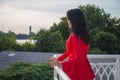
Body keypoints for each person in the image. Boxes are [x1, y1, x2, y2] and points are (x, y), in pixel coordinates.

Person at [49, 8, 95, 80]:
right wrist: (58, 59)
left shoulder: (75, 36)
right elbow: (70, 51)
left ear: (71, 21)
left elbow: (79, 58)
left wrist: (61, 64)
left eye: (67, 19)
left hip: (78, 71)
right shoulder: (82, 34)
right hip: (84, 69)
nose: (67, 21)